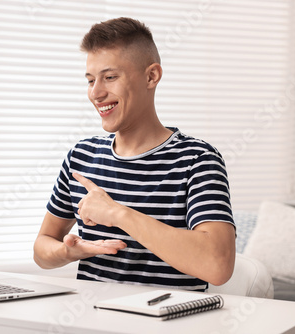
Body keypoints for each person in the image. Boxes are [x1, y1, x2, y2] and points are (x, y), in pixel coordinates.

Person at [33, 17, 236, 291]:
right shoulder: (81, 156)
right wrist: (69, 252)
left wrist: (117, 214)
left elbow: (217, 266)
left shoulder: (197, 159)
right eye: (91, 80)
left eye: (110, 77)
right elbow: (43, 246)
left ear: (151, 76)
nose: (96, 93)